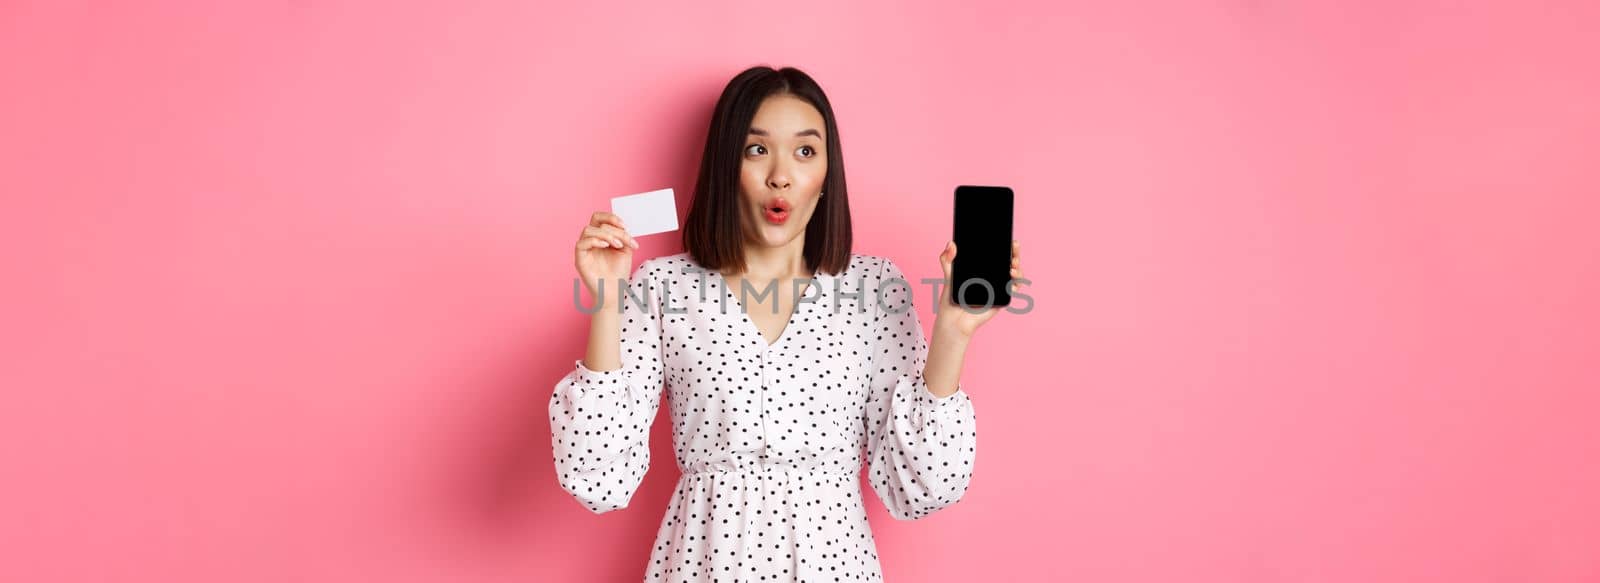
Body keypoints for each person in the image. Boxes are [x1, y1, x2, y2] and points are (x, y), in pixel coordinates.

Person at [550, 65, 1026, 582]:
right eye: (757, 149)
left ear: (827, 176)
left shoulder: (875, 289)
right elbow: (597, 478)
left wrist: (953, 333)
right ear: (725, 167)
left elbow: (923, 486)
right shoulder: (663, 286)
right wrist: (607, 299)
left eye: (804, 151)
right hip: (704, 562)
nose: (781, 175)